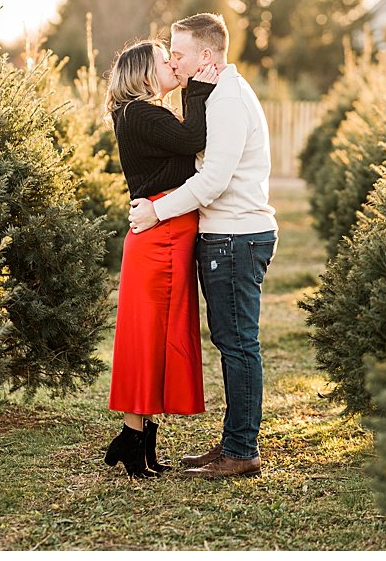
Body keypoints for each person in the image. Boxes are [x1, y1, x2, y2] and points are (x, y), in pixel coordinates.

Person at [128, 13, 278, 479]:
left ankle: (241, 452)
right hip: (225, 235)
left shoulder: (228, 100)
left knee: (238, 346)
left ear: (206, 56)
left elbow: (212, 180)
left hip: (235, 236)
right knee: (230, 342)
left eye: (179, 53)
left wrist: (158, 210)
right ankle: (234, 442)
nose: (172, 60)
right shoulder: (219, 94)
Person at [102, 39, 220, 478]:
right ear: (144, 74)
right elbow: (195, 137)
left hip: (163, 233)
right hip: (160, 237)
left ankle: (138, 440)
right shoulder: (141, 113)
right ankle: (134, 441)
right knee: (148, 339)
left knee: (155, 338)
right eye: (163, 59)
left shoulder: (144, 113)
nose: (172, 62)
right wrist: (198, 89)